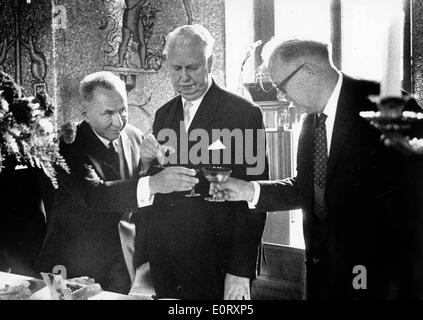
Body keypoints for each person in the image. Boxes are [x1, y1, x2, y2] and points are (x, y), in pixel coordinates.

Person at [212, 38, 423, 299]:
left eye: (281, 86)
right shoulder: (312, 122)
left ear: (308, 72)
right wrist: (248, 190)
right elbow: (307, 188)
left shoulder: (388, 106)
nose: (281, 97)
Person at [132, 24, 269, 300]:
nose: (183, 78)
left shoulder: (244, 114)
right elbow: (157, 185)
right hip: (166, 260)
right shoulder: (163, 115)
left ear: (210, 63)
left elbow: (255, 199)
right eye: (175, 68)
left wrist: (240, 271)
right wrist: (145, 165)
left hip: (217, 263)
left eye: (192, 68)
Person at [36, 71, 198, 293]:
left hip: (120, 263)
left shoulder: (134, 135)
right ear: (85, 111)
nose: (118, 122)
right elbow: (94, 195)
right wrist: (153, 182)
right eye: (108, 113)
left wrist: (147, 165)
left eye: (124, 110)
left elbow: (133, 193)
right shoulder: (67, 143)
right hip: (68, 263)